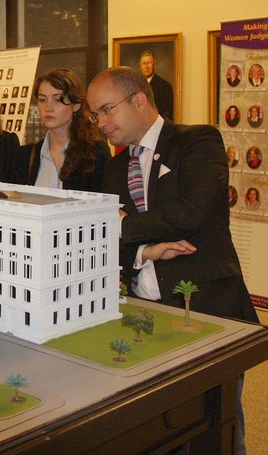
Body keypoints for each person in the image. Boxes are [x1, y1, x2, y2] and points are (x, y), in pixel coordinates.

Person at [89, 66, 258, 454]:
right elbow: (108, 245)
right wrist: (144, 250)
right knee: (161, 429)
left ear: (139, 100)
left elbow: (194, 211)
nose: (100, 123)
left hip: (203, 308)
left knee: (214, 430)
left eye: (106, 110)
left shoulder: (198, 140)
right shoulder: (115, 168)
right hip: (144, 317)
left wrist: (121, 227)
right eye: (95, 115)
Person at [13, 68, 110, 192]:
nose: (48, 108)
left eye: (57, 99)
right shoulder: (24, 156)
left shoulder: (96, 153)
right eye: (42, 100)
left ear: (76, 105)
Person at [138, 50, 174, 121]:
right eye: (144, 63)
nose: (146, 67)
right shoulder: (134, 85)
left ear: (154, 64)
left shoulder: (165, 86)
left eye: (149, 63)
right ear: (140, 66)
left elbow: (167, 116)